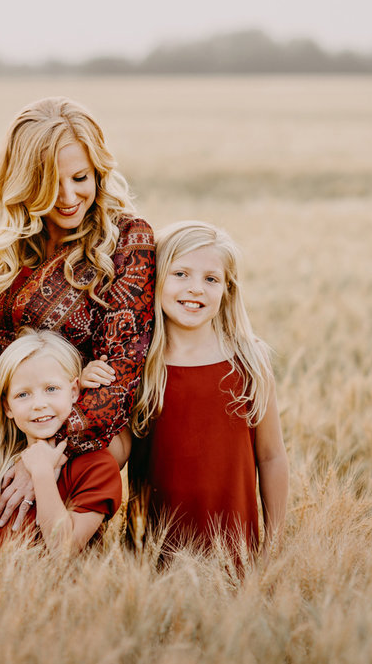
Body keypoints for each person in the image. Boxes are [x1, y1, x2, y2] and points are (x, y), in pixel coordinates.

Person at [0, 97, 155, 525]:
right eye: (48, 183)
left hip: (75, 420)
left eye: (81, 178)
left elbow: (123, 371)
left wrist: (43, 453)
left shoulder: (129, 240)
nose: (68, 196)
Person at [129, 221, 289, 555]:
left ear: (227, 290)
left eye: (211, 279)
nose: (196, 289)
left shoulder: (250, 360)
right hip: (157, 557)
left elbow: (272, 456)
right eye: (180, 274)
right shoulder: (138, 364)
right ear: (154, 279)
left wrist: (275, 543)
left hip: (234, 554)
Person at [0, 329, 122, 552]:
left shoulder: (97, 467)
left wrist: (41, 473)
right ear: (7, 406)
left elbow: (63, 549)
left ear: (74, 391)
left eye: (51, 389)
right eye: (23, 394)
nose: (38, 404)